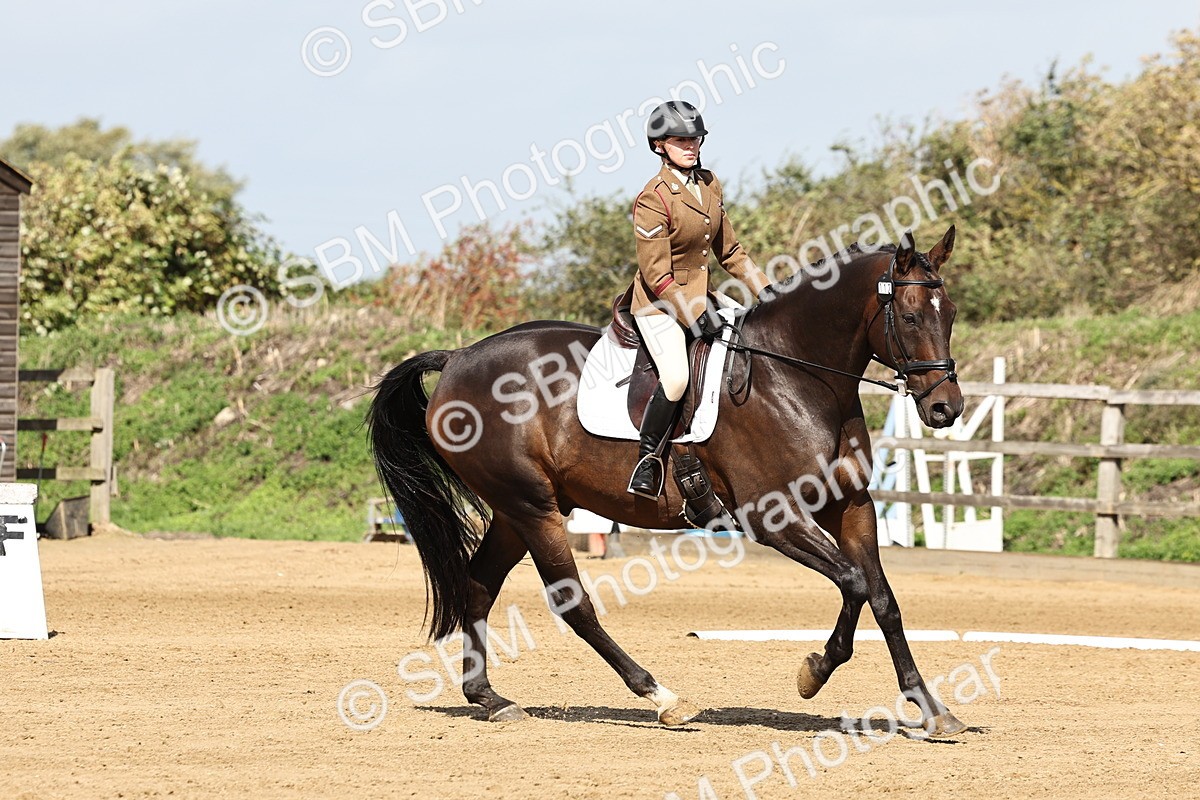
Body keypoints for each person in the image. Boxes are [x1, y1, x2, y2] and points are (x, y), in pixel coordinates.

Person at [626, 100, 773, 499]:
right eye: (681, 140)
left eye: (695, 138)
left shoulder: (709, 183)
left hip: (703, 297)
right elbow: (657, 275)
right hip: (659, 305)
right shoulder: (652, 198)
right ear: (659, 145)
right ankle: (648, 459)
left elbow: (731, 252)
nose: (691, 145)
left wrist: (768, 291)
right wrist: (692, 313)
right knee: (676, 377)